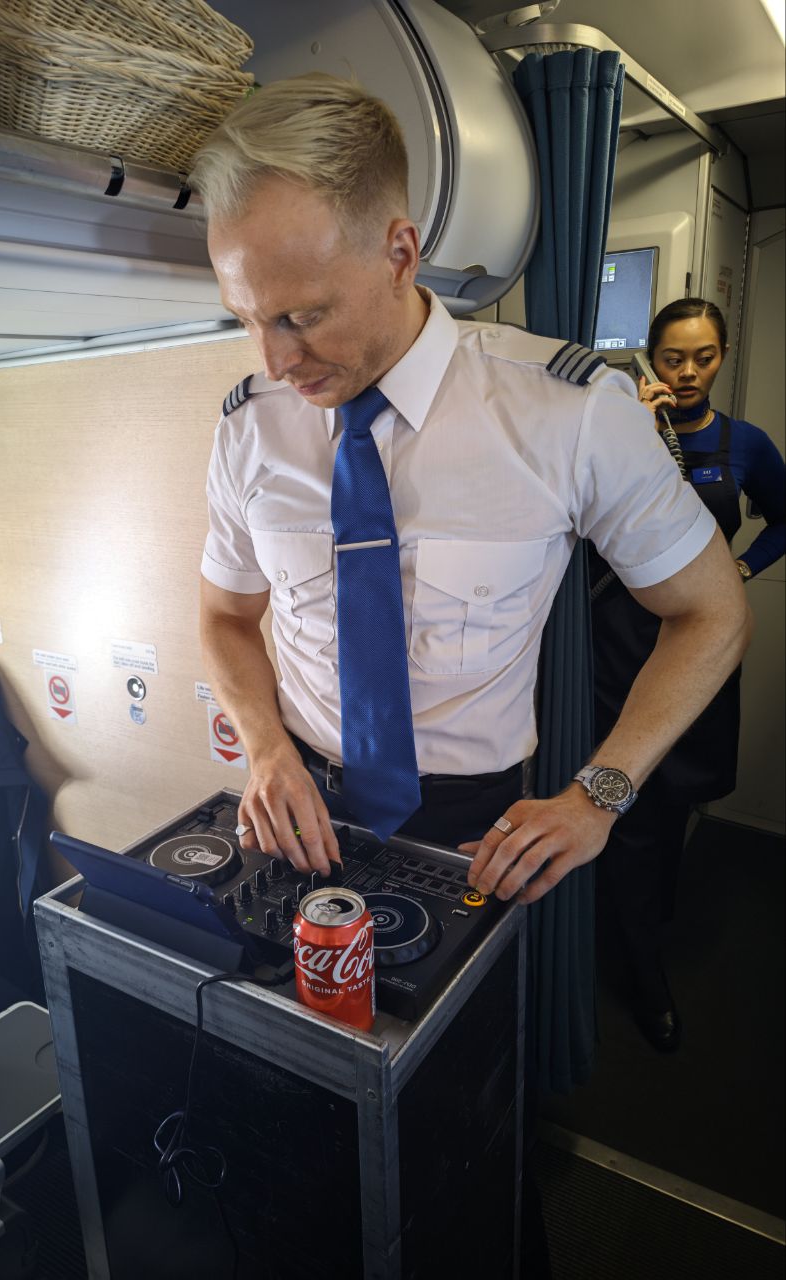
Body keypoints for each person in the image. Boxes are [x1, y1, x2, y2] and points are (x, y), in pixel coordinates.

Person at [189, 74, 750, 1275]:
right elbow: (226, 616)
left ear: (401, 250)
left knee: (464, 1130)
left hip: (469, 828)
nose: (274, 356)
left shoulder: (565, 411)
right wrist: (266, 744)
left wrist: (601, 792)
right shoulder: (248, 425)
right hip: (298, 806)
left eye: (302, 315)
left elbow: (710, 611)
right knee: (294, 1116)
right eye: (246, 317)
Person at [590, 297, 785, 1052]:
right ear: (651, 358)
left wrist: (741, 570)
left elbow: (782, 517)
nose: (688, 372)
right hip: (619, 644)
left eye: (703, 357)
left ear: (722, 356)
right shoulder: (624, 432)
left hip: (698, 646)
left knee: (672, 804)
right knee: (627, 807)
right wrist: (633, 435)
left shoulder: (745, 444)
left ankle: (643, 926)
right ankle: (643, 972)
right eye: (673, 358)